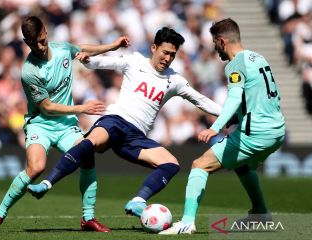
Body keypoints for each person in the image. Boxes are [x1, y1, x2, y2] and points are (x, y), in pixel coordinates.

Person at [27, 27, 222, 217]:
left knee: (171, 164)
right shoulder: (134, 61)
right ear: (154, 48)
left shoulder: (175, 80)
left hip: (136, 137)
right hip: (115, 121)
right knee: (90, 143)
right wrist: (88, 60)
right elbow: (102, 63)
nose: (167, 58)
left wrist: (228, 115)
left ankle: (138, 201)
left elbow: (201, 100)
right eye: (165, 52)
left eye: (172, 54)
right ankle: (47, 183)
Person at [0, 16, 130, 233]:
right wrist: (82, 108)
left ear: (46, 32)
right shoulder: (29, 71)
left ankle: (88, 218)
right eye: (34, 43)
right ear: (26, 42)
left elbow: (82, 48)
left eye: (42, 40)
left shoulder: (62, 49)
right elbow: (47, 107)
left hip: (66, 125)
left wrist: (113, 45)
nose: (40, 46)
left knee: (88, 155)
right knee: (36, 168)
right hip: (40, 124)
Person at [159, 18, 286, 235]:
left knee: (200, 165)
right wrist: (236, 119)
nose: (215, 50)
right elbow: (262, 96)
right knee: (242, 165)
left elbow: (235, 98)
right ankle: (260, 212)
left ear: (222, 41)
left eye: (215, 44)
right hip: (277, 130)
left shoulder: (235, 64)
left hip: (255, 133)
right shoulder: (258, 58)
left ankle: (187, 223)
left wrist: (215, 127)